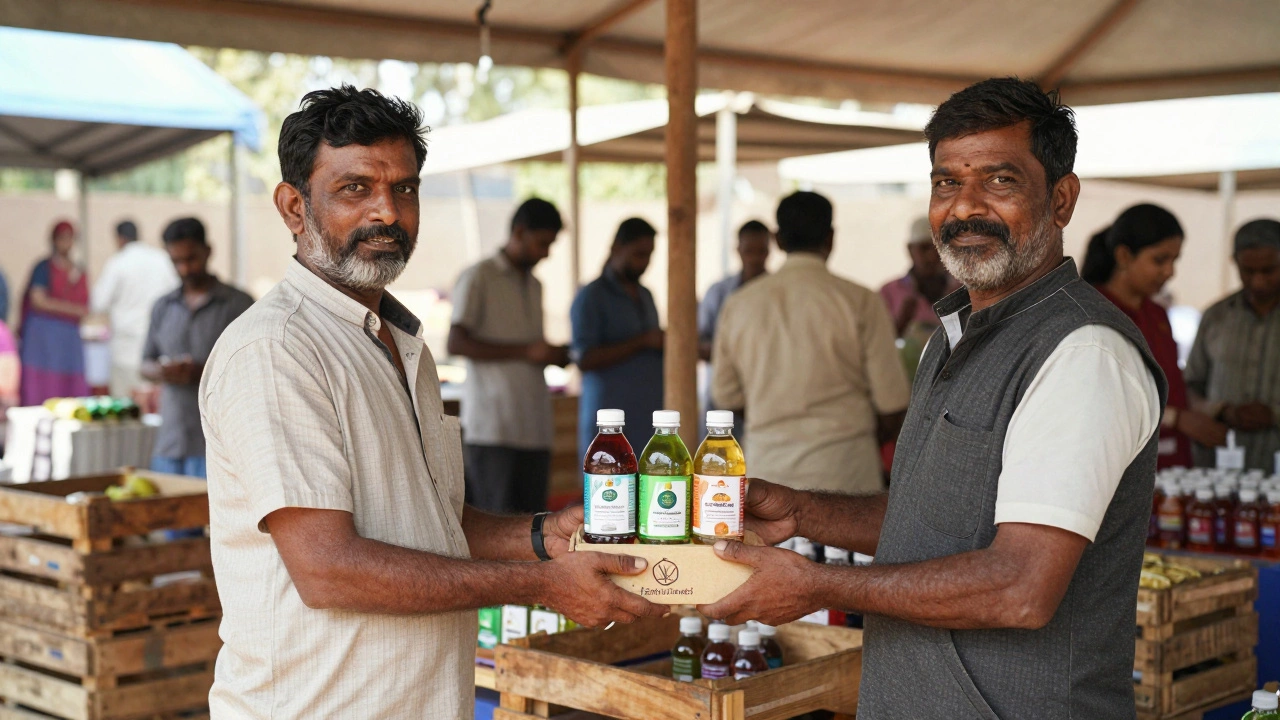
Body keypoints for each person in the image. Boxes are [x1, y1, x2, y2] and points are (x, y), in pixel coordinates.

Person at [699, 78, 1165, 720]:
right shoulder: (953, 335)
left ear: (1062, 199)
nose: (964, 207)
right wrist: (801, 511)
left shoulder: (1083, 353)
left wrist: (817, 585)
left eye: (999, 181)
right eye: (946, 182)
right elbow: (938, 519)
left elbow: (1021, 588)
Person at [198, 86, 659, 719]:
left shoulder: (396, 338)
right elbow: (329, 568)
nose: (387, 211)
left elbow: (429, 522)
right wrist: (542, 583)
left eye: (405, 188)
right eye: (355, 188)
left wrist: (539, 536)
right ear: (293, 207)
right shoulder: (277, 348)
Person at [711, 192, 910, 495]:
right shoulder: (860, 301)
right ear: (831, 238)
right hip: (846, 477)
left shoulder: (739, 304)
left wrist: (774, 420)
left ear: (777, 240)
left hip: (767, 477)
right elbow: (892, 403)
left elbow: (725, 397)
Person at [1081, 204, 1228, 468]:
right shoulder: (1091, 310)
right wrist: (1177, 418)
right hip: (1118, 464)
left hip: (1172, 464)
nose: (1170, 272)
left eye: (1175, 260)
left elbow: (1171, 385)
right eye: (1160, 260)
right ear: (1124, 256)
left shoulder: (1158, 314)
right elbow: (1096, 396)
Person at [448, 198, 570, 514]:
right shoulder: (479, 276)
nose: (546, 252)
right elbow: (456, 342)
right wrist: (527, 350)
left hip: (534, 426)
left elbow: (531, 349)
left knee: (532, 527)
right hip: (492, 429)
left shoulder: (535, 284)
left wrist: (550, 354)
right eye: (542, 243)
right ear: (518, 232)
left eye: (550, 244)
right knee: (495, 523)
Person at [141, 218, 253, 479]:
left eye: (191, 259)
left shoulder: (238, 304)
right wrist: (164, 371)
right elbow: (145, 364)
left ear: (208, 251)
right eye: (176, 262)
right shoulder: (163, 307)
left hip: (221, 443)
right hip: (171, 440)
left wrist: (202, 371)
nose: (185, 268)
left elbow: (254, 369)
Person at [1185, 218, 1280, 470]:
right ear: (1235, 262)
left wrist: (1274, 415)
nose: (1258, 281)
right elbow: (1189, 386)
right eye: (1248, 271)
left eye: (1269, 270)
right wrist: (1222, 411)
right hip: (1218, 469)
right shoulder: (1216, 316)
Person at [570, 218, 665, 457]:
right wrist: (642, 341)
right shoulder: (591, 297)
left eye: (649, 255)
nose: (644, 263)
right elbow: (584, 358)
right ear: (616, 248)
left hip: (647, 417)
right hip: (609, 421)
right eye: (638, 254)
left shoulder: (645, 295)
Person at [91, 220, 180, 398]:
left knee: (126, 408)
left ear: (119, 239)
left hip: (126, 350)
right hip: (159, 350)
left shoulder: (118, 262)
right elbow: (178, 293)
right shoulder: (161, 259)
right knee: (154, 408)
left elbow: (98, 303)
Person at [879, 216, 961, 379]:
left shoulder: (964, 291)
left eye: (937, 248)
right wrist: (900, 323)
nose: (931, 256)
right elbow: (877, 348)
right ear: (910, 250)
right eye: (924, 248)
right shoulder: (889, 292)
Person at [19, 220, 89, 406]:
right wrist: (71, 310)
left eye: (70, 238)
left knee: (68, 391)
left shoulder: (77, 270)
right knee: (42, 387)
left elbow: (85, 306)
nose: (66, 243)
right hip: (43, 339)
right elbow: (38, 301)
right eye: (62, 238)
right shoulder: (43, 268)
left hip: (68, 341)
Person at [698, 220, 771, 361]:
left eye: (761, 251)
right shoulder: (718, 292)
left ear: (768, 251)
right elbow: (700, 341)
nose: (755, 258)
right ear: (738, 250)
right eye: (749, 251)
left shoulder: (778, 292)